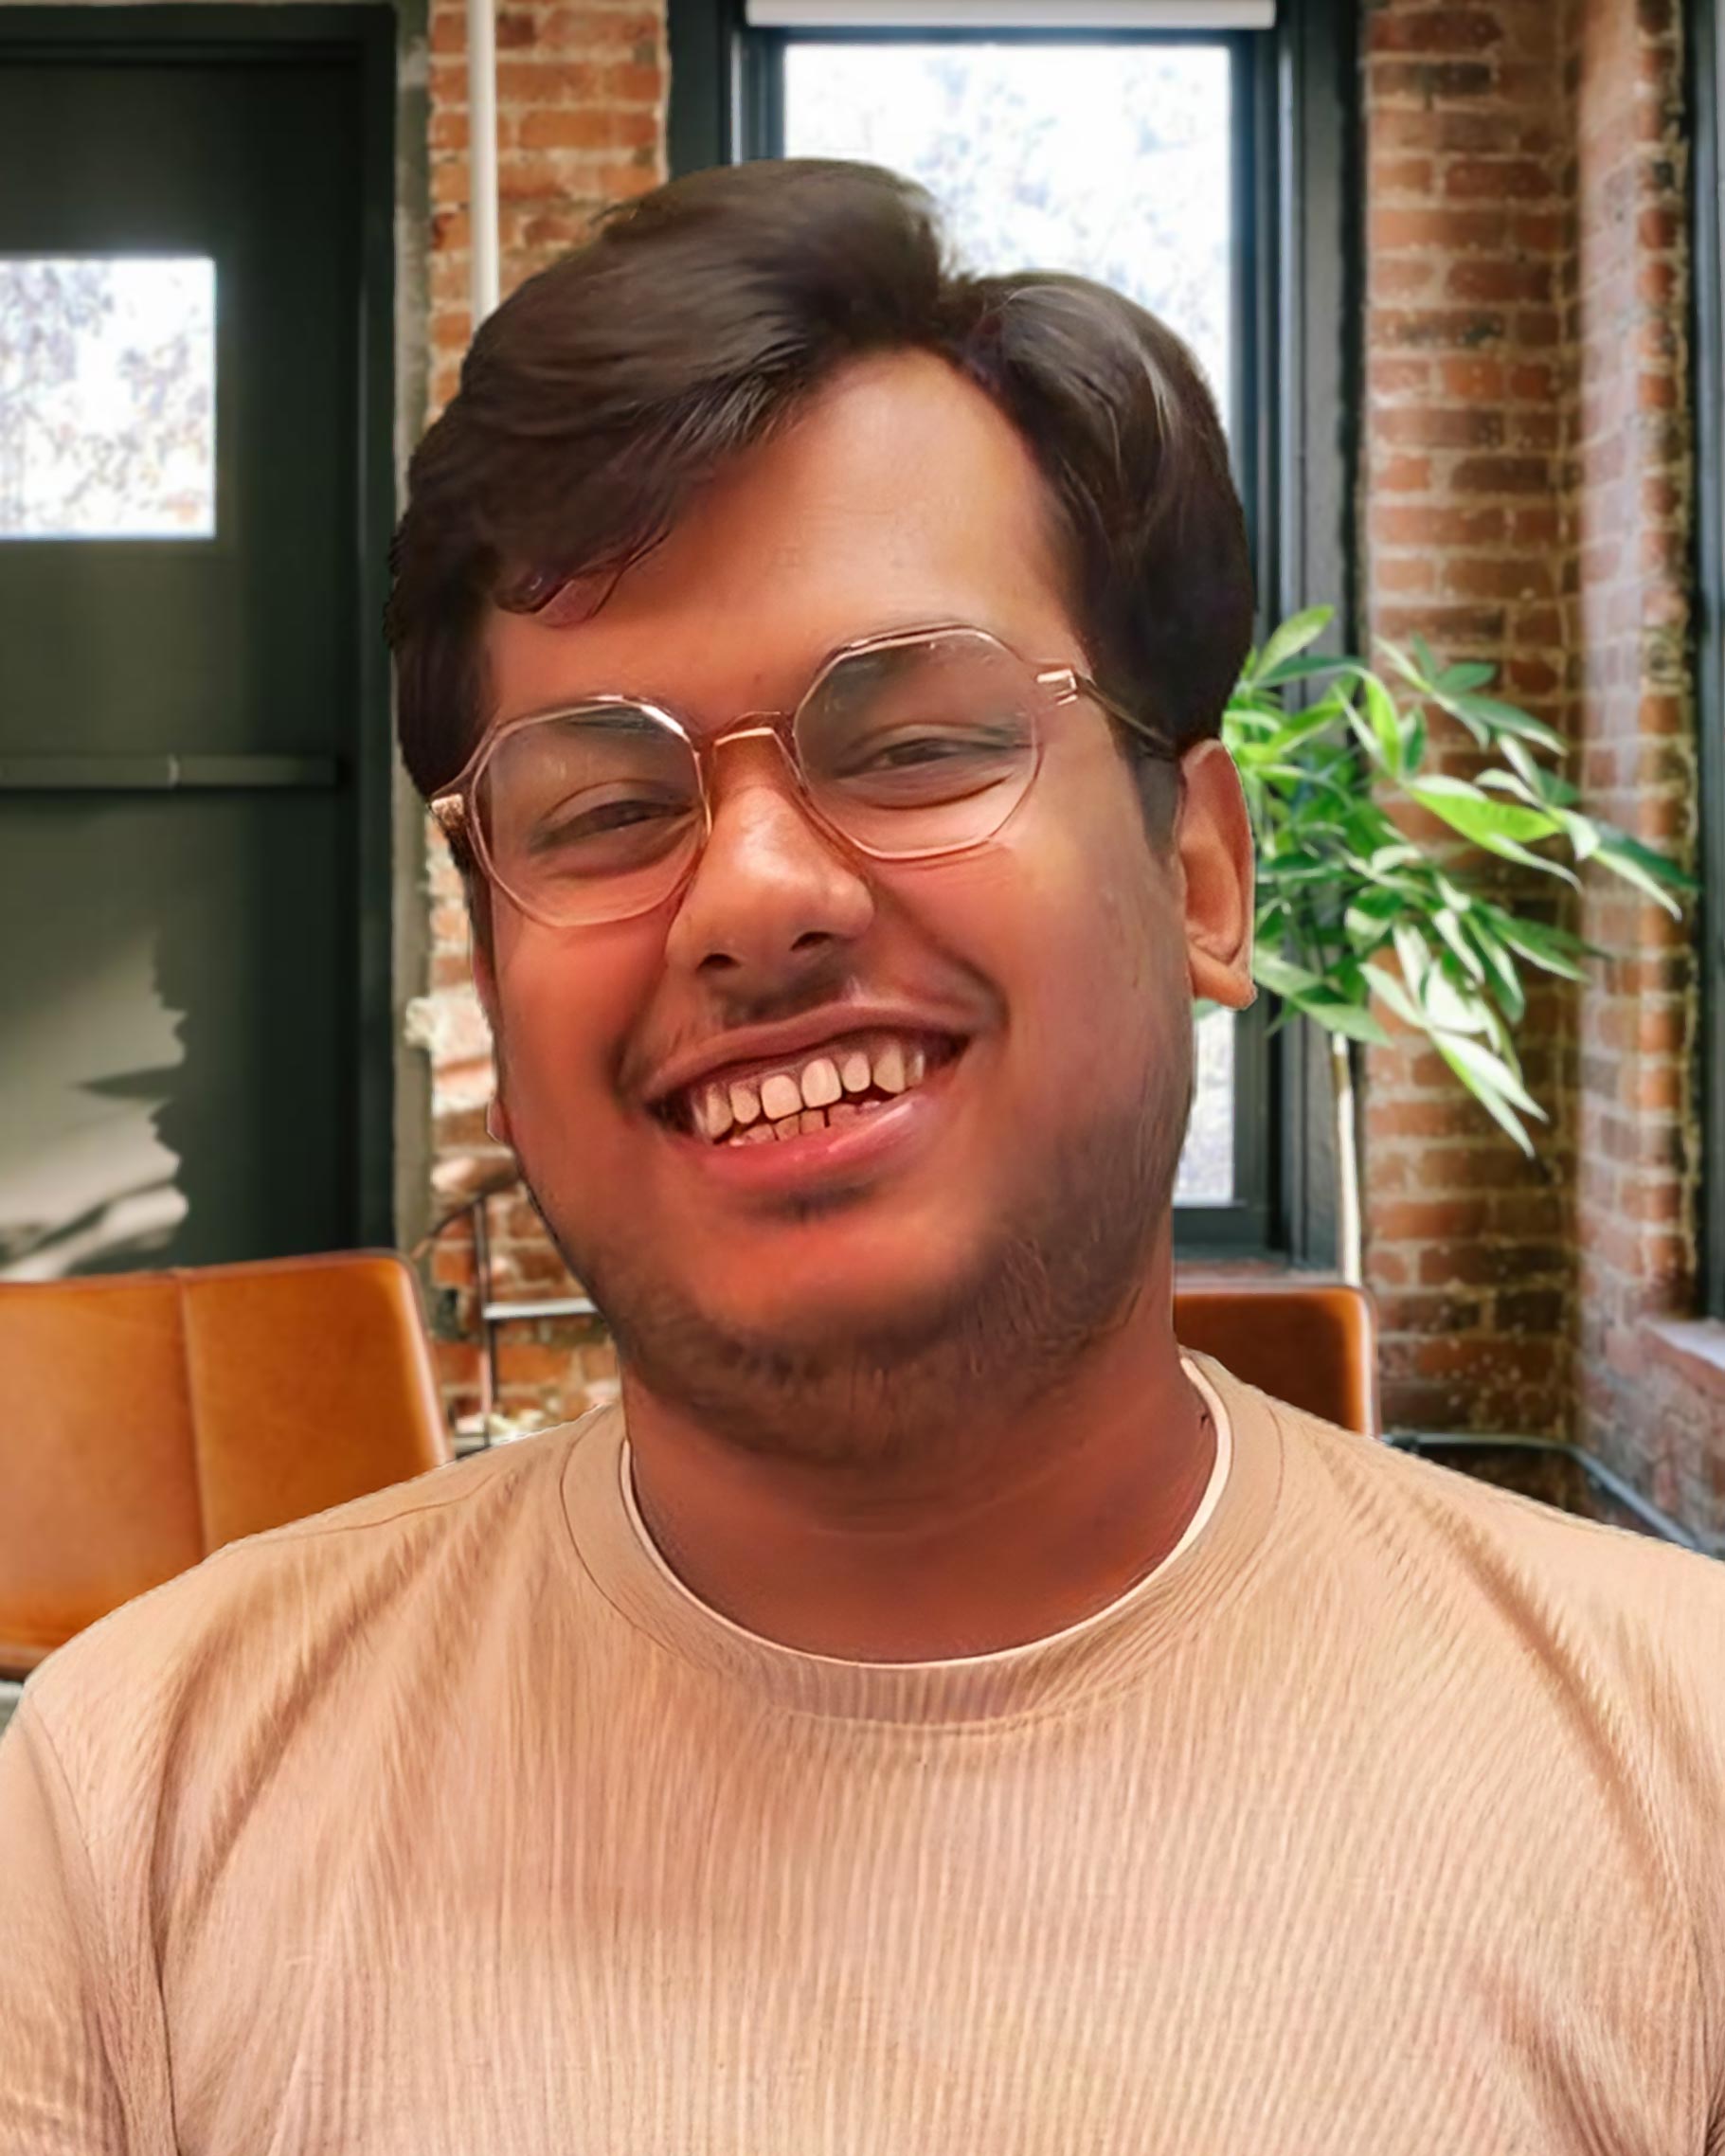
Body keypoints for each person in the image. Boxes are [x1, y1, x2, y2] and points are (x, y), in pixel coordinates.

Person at [1, 158, 1721, 2156]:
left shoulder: (1675, 1778)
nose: (747, 894)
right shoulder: (139, 1808)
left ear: (1198, 872)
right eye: (599, 805)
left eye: (910, 740)